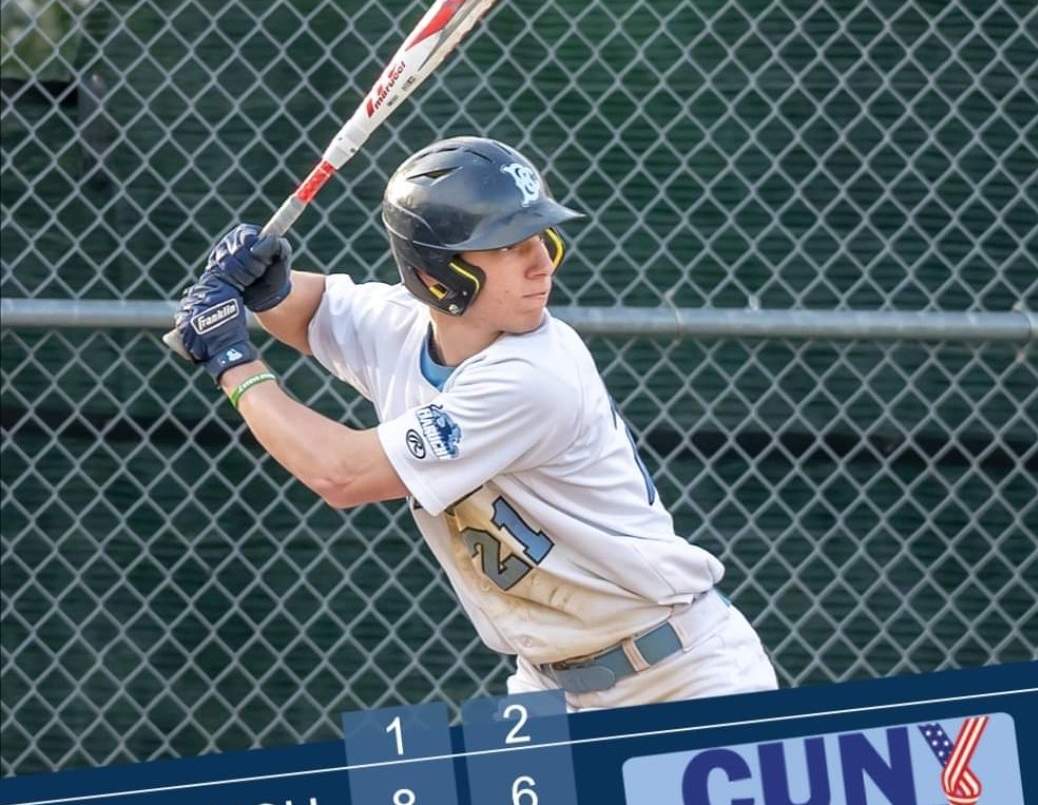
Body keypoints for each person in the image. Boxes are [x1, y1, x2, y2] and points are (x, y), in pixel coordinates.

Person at [173, 136, 778, 710]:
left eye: (541, 239)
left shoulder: (533, 375)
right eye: (512, 246)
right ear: (439, 276)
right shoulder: (406, 325)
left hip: (680, 682)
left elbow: (341, 475)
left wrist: (233, 363)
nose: (542, 263)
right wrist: (259, 283)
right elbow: (309, 310)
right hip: (548, 689)